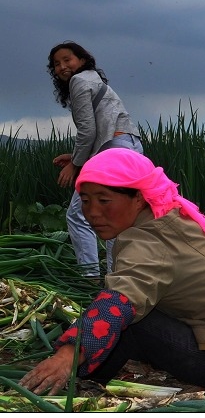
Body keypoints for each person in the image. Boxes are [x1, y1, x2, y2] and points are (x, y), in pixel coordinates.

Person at [19, 148, 205, 395]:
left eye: (104, 200)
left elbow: (119, 303)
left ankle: (82, 384)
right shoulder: (170, 211)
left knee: (131, 324)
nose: (93, 213)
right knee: (133, 309)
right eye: (86, 201)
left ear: (138, 198)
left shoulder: (147, 242)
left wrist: (67, 356)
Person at [47, 41, 144, 278]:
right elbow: (102, 131)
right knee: (116, 215)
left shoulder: (79, 82)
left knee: (77, 215)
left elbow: (87, 131)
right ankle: (116, 278)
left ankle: (90, 279)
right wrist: (76, 156)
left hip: (114, 151)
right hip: (128, 147)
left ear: (81, 59)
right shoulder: (94, 80)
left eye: (66, 60)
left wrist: (76, 165)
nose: (61, 67)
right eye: (56, 64)